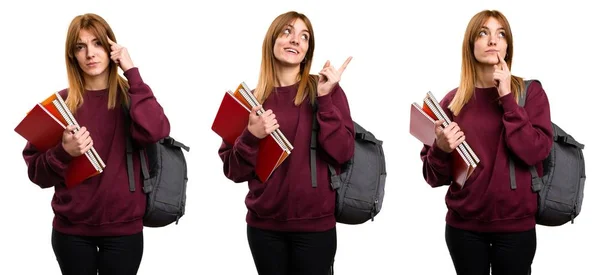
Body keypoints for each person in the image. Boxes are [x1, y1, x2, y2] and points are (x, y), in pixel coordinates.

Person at [22, 13, 170, 275]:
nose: (90, 53)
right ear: (72, 56)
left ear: (111, 47)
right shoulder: (59, 106)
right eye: (81, 46)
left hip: (124, 230)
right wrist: (63, 152)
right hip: (71, 232)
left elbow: (156, 130)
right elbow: (37, 175)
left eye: (98, 43)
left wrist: (132, 71)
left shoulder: (133, 96)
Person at [218, 10, 355, 275]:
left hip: (316, 228)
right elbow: (233, 171)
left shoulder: (325, 89)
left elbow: (343, 154)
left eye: (304, 37)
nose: (295, 40)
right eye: (287, 32)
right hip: (263, 229)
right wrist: (251, 136)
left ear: (307, 50)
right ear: (272, 41)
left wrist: (325, 100)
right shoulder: (250, 100)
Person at [419, 9, 553, 275]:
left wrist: (506, 98)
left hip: (516, 229)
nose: (493, 40)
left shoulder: (530, 93)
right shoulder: (451, 102)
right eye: (483, 33)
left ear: (507, 46)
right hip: (463, 230)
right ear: (471, 45)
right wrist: (441, 149)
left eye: (500, 34)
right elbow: (432, 177)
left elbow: (535, 152)